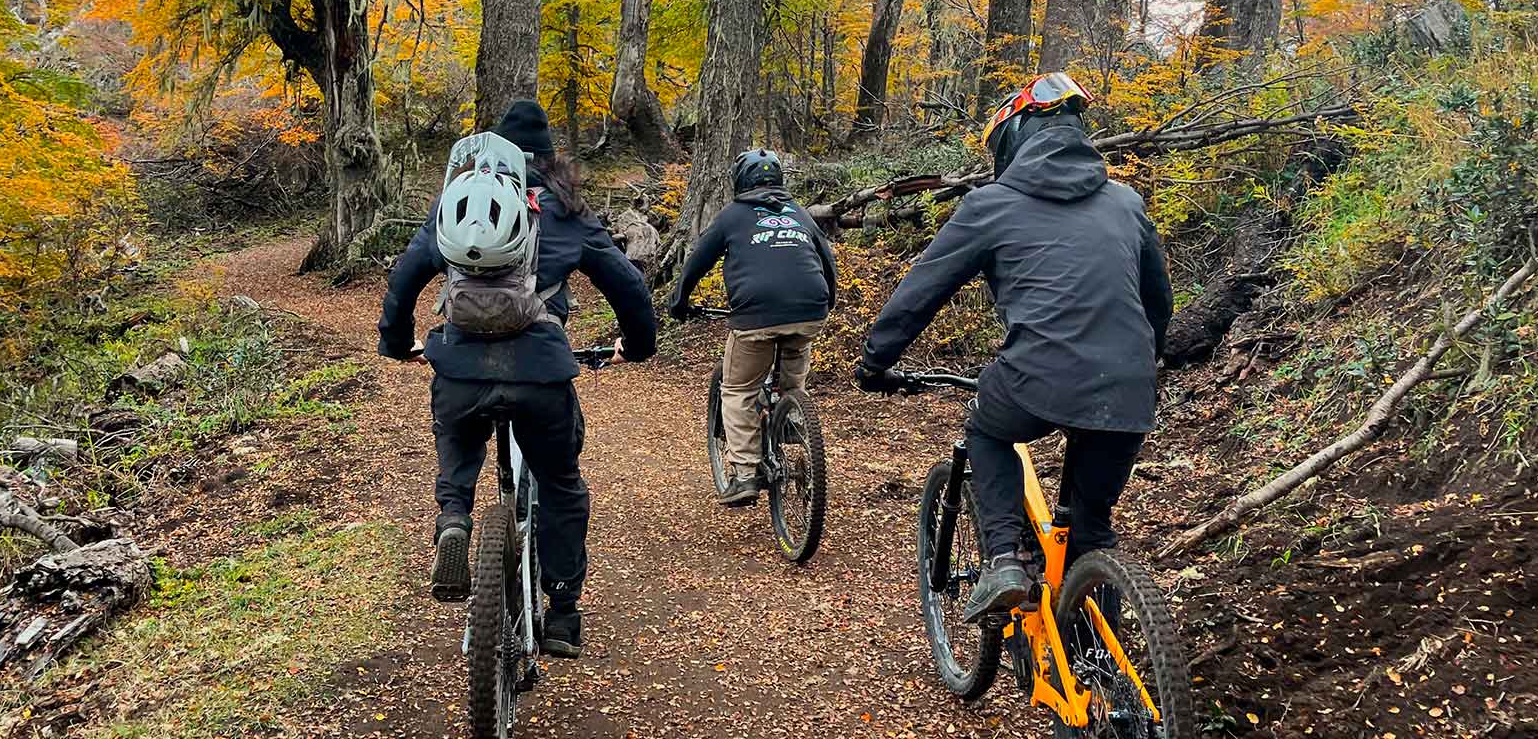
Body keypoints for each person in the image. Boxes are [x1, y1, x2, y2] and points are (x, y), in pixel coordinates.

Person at [855, 72, 1173, 623]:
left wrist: (877, 360)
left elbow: (922, 289)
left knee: (987, 428)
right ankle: (1096, 672)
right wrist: (1150, 358)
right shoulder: (1125, 203)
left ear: (1013, 139)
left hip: (1038, 376)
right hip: (1129, 386)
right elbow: (1158, 302)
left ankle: (1004, 558)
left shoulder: (991, 204)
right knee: (1092, 529)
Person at [377, 100, 658, 658]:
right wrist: (638, 345)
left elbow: (405, 278)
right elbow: (627, 286)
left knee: (457, 444)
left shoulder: (458, 205)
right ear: (550, 159)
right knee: (560, 484)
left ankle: (454, 515)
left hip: (458, 368)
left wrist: (396, 342)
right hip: (540, 372)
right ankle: (561, 614)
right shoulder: (565, 209)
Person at [667, 149, 838, 506]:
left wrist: (679, 299)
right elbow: (827, 260)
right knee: (794, 369)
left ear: (739, 182)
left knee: (737, 389)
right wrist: (827, 302)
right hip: (811, 309)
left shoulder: (732, 216)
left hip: (756, 316)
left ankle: (745, 474)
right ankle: (790, 416)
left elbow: (698, 259)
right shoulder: (800, 214)